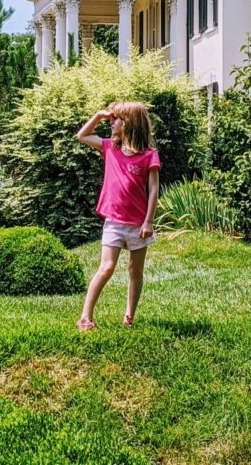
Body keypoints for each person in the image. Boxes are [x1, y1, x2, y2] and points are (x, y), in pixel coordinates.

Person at [75, 101, 160, 331]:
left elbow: (153, 189)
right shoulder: (110, 148)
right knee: (107, 267)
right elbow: (82, 136)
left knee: (135, 270)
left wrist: (149, 221)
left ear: (129, 123)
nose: (111, 123)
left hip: (138, 224)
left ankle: (129, 316)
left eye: (116, 119)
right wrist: (98, 115)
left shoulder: (148, 155)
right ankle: (85, 317)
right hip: (113, 222)